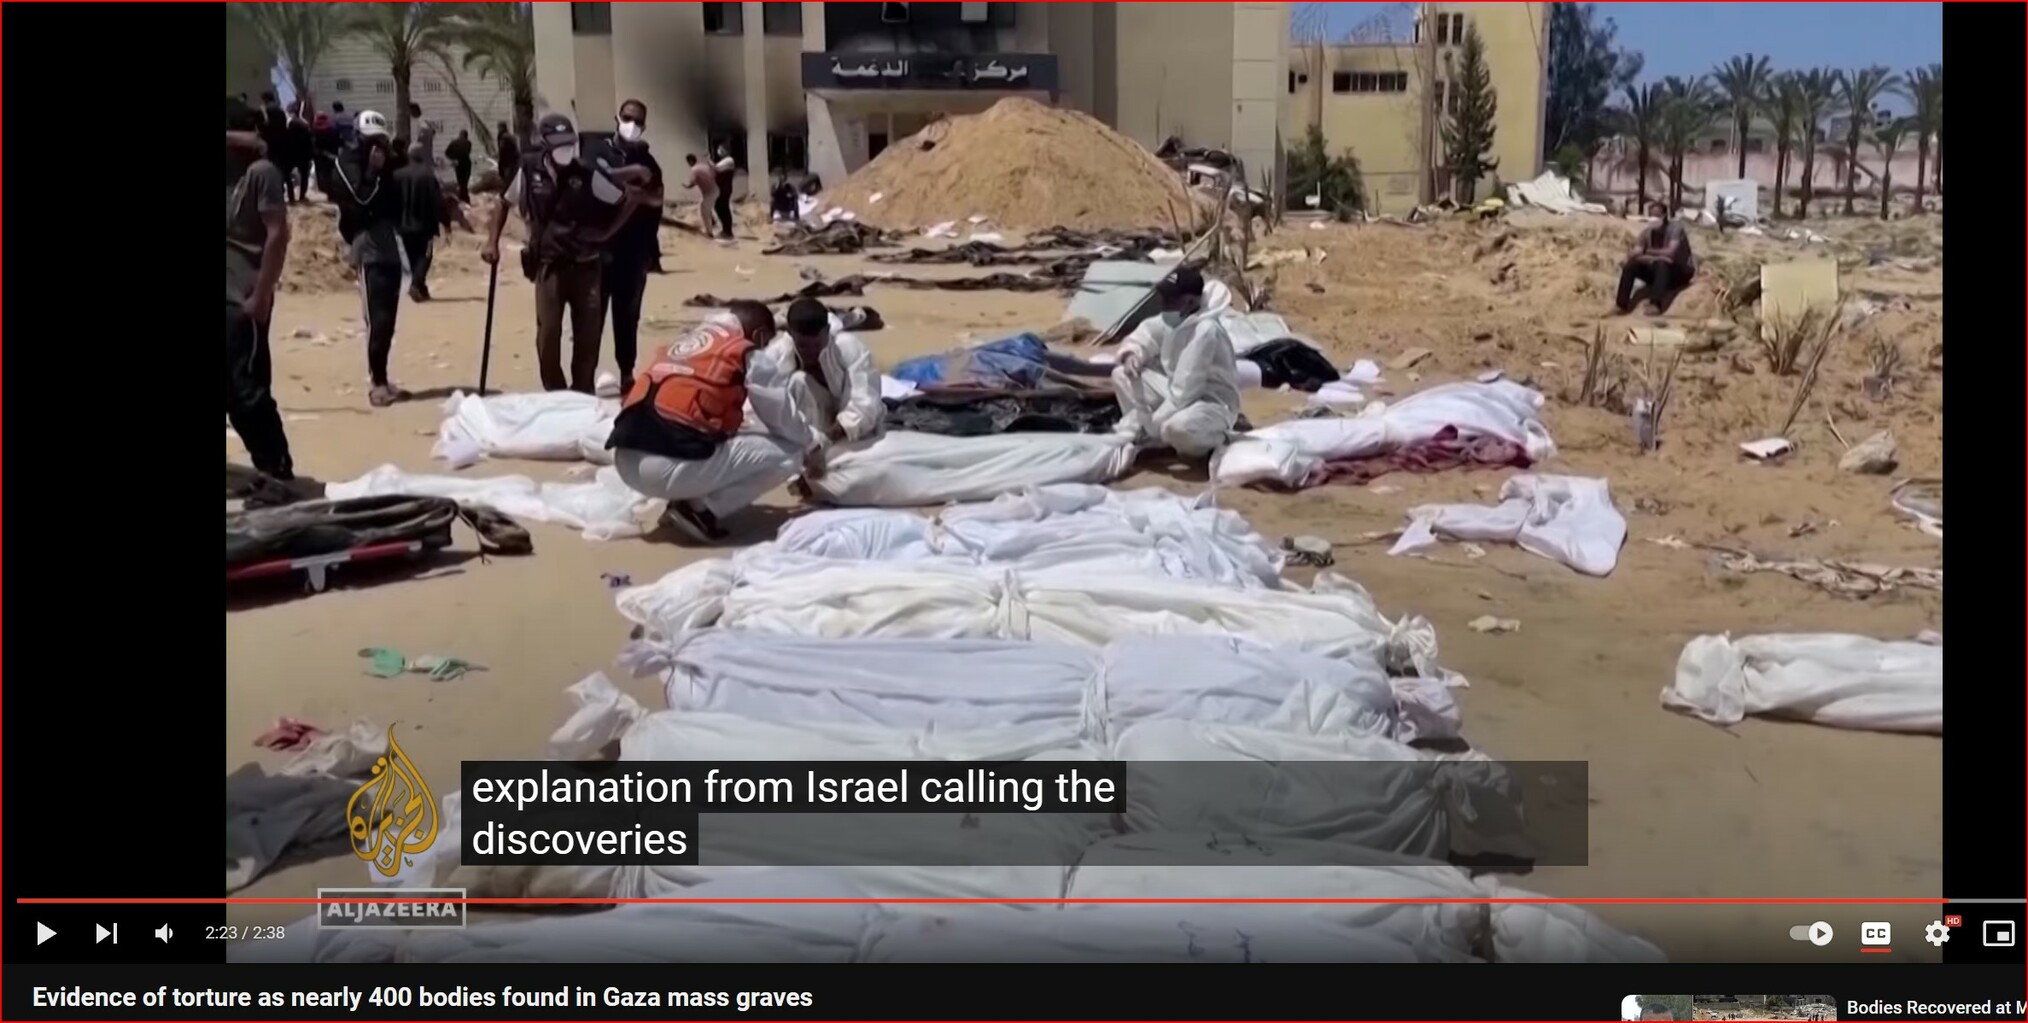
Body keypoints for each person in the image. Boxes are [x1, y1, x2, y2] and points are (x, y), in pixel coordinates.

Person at [607, 301, 812, 542]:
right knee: (791, 453)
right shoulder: (747, 353)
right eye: (765, 343)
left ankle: (685, 498)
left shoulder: (686, 342)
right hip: (663, 467)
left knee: (727, 437)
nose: (764, 348)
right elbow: (782, 419)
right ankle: (700, 510)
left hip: (624, 460)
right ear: (759, 335)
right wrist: (813, 445)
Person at [483, 113, 642, 393]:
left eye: (569, 142)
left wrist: (606, 233)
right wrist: (491, 242)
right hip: (549, 264)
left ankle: (582, 390)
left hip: (586, 265)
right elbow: (504, 202)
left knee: (587, 335)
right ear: (544, 143)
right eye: (559, 143)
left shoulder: (587, 173)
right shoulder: (529, 171)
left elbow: (627, 199)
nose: (565, 149)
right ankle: (555, 390)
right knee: (548, 332)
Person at [227, 101, 296, 481]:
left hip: (244, 299)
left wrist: (262, 293)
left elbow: (277, 235)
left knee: (246, 390)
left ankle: (277, 470)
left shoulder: (261, 172)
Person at [1112, 266, 1243, 463]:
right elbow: (1145, 335)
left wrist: (1152, 426)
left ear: (1189, 302)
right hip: (1177, 391)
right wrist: (1131, 355)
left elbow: (1185, 390)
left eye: (1170, 300)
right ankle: (1154, 434)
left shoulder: (1205, 331)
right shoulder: (1175, 319)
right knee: (1121, 375)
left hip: (1211, 402)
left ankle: (1216, 440)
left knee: (1176, 429)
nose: (1164, 305)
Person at [330, 110, 411, 407]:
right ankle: (377, 383)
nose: (377, 149)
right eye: (371, 143)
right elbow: (361, 198)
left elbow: (394, 200)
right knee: (377, 318)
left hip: (389, 243)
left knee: (388, 319)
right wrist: (374, 171)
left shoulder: (383, 167)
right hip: (367, 246)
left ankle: (383, 377)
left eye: (380, 143)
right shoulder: (347, 164)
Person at [761, 297, 884, 490]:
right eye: (803, 346)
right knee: (799, 380)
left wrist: (826, 439)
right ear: (790, 333)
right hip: (807, 432)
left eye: (817, 344)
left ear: (827, 331)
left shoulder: (849, 347)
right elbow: (763, 402)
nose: (811, 352)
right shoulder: (777, 354)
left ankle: (819, 459)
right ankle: (805, 466)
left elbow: (865, 404)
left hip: (851, 430)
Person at [593, 99, 665, 394]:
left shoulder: (649, 162)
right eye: (627, 117)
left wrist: (640, 194)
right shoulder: (599, 152)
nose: (632, 125)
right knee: (592, 317)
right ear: (617, 117)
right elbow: (593, 177)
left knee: (627, 316)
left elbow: (656, 197)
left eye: (638, 121)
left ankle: (626, 372)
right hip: (598, 250)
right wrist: (631, 177)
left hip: (633, 253)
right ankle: (584, 375)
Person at [1615, 201, 1697, 315]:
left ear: (1664, 216)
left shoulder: (1675, 229)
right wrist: (1634, 256)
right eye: (1651, 215)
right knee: (1631, 266)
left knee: (1661, 264)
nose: (1653, 219)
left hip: (1680, 272)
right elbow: (1635, 252)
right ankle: (1621, 305)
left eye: (1657, 216)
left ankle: (1655, 304)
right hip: (1659, 270)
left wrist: (1645, 252)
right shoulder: (1647, 232)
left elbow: (1670, 253)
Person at [394, 142, 447, 302]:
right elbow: (437, 201)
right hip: (424, 226)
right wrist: (445, 221)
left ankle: (421, 288)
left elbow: (391, 200)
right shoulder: (428, 175)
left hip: (403, 225)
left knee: (412, 257)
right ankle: (416, 285)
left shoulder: (397, 175)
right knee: (425, 256)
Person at [283, 100, 315, 203]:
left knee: (287, 175)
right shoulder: (305, 125)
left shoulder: (288, 124)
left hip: (291, 153)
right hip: (304, 154)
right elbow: (310, 141)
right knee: (304, 176)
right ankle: (302, 196)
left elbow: (286, 140)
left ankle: (291, 197)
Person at [683, 154, 720, 238]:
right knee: (704, 204)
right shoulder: (704, 166)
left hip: (709, 193)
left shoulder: (694, 169)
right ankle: (713, 221)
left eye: (688, 162)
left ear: (690, 161)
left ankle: (709, 233)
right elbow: (714, 174)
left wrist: (687, 186)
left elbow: (693, 182)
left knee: (704, 211)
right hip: (715, 189)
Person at [711, 144, 737, 241]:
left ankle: (728, 231)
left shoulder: (729, 160)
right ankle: (725, 229)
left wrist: (708, 162)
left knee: (724, 208)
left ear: (726, 150)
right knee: (718, 207)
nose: (719, 151)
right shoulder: (723, 161)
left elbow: (716, 168)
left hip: (725, 188)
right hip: (720, 188)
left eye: (721, 149)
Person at [445, 129, 474, 203]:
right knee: (465, 182)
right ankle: (465, 198)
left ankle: (462, 198)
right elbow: (468, 151)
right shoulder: (468, 143)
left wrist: (453, 158)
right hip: (466, 163)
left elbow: (447, 153)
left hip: (458, 163)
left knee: (460, 181)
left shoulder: (454, 142)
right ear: (466, 136)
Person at [495, 121, 520, 191]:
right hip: (511, 161)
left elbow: (502, 149)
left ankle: (506, 193)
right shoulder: (508, 136)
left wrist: (500, 160)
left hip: (507, 162)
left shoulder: (504, 137)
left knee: (507, 179)